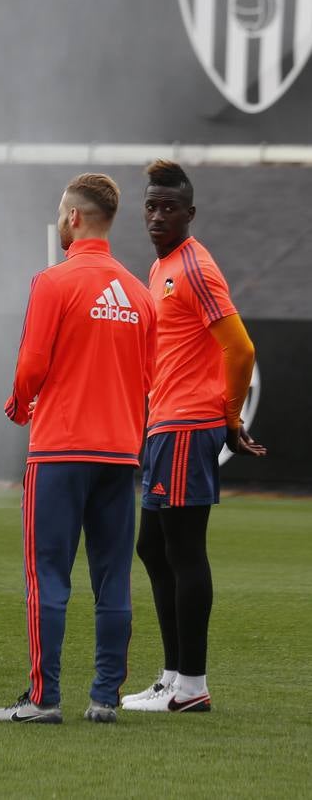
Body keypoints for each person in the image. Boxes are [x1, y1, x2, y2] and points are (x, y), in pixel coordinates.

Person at [0, 174, 156, 725]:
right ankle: (105, 698)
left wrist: (17, 405)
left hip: (59, 451)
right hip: (119, 453)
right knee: (113, 577)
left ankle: (42, 699)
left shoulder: (53, 282)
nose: (59, 221)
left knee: (49, 576)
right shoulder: (140, 293)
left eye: (62, 212)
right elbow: (150, 377)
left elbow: (31, 367)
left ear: (75, 217)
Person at [121, 160, 265, 714]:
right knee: (153, 547)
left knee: (180, 550)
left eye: (169, 208)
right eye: (151, 206)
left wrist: (228, 417)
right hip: (166, 425)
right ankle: (173, 676)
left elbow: (242, 348)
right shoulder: (161, 269)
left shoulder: (197, 267)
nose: (157, 216)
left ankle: (190, 684)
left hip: (189, 425)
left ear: (190, 214)